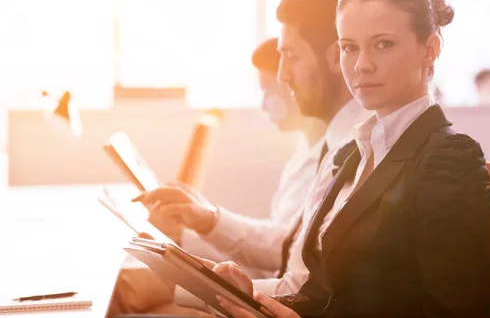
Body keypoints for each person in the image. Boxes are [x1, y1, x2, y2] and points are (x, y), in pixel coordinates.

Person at [217, 0, 490, 317]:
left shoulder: (449, 158)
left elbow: (457, 312)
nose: (362, 65)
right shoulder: (353, 154)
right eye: (350, 47)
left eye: (383, 44)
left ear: (430, 49)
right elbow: (321, 292)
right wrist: (247, 297)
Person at [127, 0, 370, 312]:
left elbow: (299, 284)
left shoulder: (359, 149)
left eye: (291, 56)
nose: (283, 76)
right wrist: (205, 222)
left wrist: (181, 284)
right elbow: (289, 249)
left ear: (333, 57)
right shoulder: (335, 146)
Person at [109, 37, 327, 317]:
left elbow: (278, 256)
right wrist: (198, 224)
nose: (263, 106)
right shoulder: (304, 151)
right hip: (247, 284)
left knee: (124, 289)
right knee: (125, 283)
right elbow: (279, 243)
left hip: (254, 293)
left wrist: (194, 238)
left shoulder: (332, 159)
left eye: (269, 91)